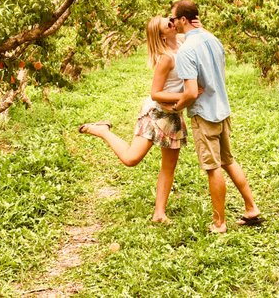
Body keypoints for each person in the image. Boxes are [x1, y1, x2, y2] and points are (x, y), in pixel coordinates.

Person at [79, 15, 195, 224]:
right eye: (168, 24)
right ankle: (103, 130)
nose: (173, 23)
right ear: (161, 35)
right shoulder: (166, 58)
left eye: (172, 20)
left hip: (174, 114)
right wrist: (188, 96)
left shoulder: (183, 43)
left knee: (169, 167)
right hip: (157, 113)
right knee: (131, 159)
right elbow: (155, 93)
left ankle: (159, 213)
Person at [168, 0, 261, 233]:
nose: (172, 22)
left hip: (204, 114)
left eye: (173, 18)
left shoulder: (186, 50)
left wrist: (177, 106)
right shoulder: (213, 39)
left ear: (183, 20)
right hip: (222, 108)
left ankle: (219, 223)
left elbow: (190, 92)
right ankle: (251, 208)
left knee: (213, 167)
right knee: (228, 160)